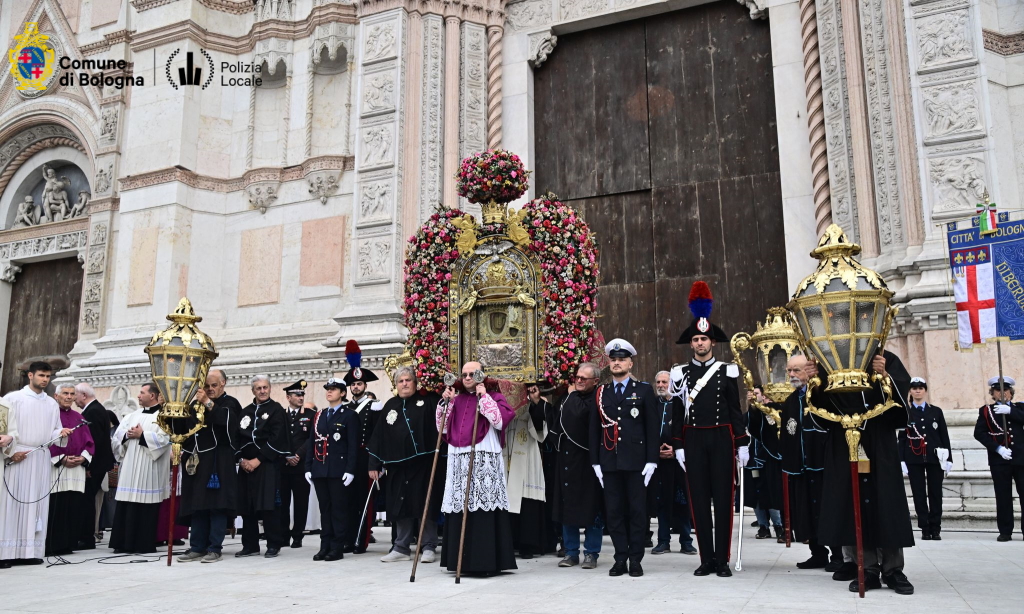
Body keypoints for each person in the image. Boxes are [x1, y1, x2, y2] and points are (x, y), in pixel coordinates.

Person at [814, 351, 915, 595]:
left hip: (879, 438)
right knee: (854, 502)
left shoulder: (884, 356)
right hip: (844, 439)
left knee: (886, 502)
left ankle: (893, 568)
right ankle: (867, 567)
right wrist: (814, 383)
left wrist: (886, 375)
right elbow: (820, 413)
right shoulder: (829, 360)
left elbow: (901, 404)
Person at [670, 282, 748, 578]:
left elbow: (734, 409)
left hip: (722, 438)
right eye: (696, 339)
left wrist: (742, 443)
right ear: (690, 343)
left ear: (712, 342)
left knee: (723, 500)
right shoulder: (680, 373)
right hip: (693, 438)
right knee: (698, 500)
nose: (700, 343)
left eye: (704, 338)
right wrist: (678, 444)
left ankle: (723, 559)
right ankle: (706, 558)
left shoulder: (727, 371)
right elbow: (678, 412)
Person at [438, 361, 517, 575]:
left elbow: (500, 421)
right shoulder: (457, 399)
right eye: (464, 374)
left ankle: (485, 561)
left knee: (483, 505)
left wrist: (484, 398)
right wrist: (444, 404)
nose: (467, 378)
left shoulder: (494, 396)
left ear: (482, 375)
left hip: (483, 456)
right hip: (459, 458)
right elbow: (442, 428)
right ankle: (458, 562)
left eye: (472, 374)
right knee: (460, 505)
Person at [763, 355, 841, 571]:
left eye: (796, 370)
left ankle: (837, 554)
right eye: (789, 371)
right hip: (801, 467)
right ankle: (817, 553)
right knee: (806, 511)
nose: (791, 375)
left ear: (809, 370)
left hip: (823, 464)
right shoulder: (790, 401)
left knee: (828, 510)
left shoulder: (821, 394)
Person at [590, 339, 659, 578]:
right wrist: (595, 462)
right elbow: (594, 429)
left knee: (638, 511)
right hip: (609, 461)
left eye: (621, 359)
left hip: (637, 463)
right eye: (613, 359)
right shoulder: (601, 392)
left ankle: (636, 559)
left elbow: (652, 428)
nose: (617, 363)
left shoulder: (643, 390)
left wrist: (652, 460)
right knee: (614, 512)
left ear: (630, 363)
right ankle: (620, 558)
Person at [367, 366, 443, 563]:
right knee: (400, 506)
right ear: (396, 385)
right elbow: (378, 437)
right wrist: (373, 463)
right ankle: (401, 547)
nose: (405, 384)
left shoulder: (428, 401)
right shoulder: (390, 405)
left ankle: (428, 546)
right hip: (397, 467)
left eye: (408, 380)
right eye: (401, 381)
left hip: (423, 464)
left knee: (425, 503)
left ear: (415, 383)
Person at [0, 362, 73, 567]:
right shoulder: (12, 399)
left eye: (48, 376)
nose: (45, 380)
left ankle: (29, 551)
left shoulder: (51, 404)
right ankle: (6, 553)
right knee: (11, 504)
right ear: (30, 375)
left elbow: (53, 430)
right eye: (41, 375)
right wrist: (10, 453)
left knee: (37, 504)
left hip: (40, 457)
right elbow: (4, 431)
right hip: (18, 455)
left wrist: (60, 434)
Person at [176, 369, 242, 564]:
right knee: (198, 505)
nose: (209, 389)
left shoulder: (230, 403)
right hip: (197, 461)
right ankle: (197, 546)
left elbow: (225, 421)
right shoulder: (195, 405)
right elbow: (185, 429)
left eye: (213, 385)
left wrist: (207, 402)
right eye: (206, 386)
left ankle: (214, 548)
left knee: (216, 505)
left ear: (223, 384)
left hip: (218, 462)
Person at [553, 362, 605, 569]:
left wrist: (572, 394)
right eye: (577, 377)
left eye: (584, 378)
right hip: (567, 460)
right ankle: (571, 551)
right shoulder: (567, 397)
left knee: (593, 508)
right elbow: (557, 420)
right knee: (568, 508)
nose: (579, 381)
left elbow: (577, 416)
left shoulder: (597, 399)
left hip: (588, 461)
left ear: (595, 381)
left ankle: (592, 552)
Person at [109, 382, 171, 554]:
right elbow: (116, 438)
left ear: (152, 396)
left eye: (142, 392)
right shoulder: (131, 416)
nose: (138, 396)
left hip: (150, 469)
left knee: (146, 507)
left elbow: (166, 440)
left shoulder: (164, 417)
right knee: (126, 505)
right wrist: (126, 436)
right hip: (130, 466)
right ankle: (122, 543)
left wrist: (142, 435)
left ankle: (142, 544)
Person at [235, 375, 290, 558]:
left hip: (266, 464)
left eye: (265, 387)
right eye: (258, 388)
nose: (262, 391)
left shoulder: (276, 410)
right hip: (246, 466)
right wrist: (242, 460)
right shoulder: (245, 411)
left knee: (269, 506)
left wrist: (258, 460)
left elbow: (278, 438)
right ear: (253, 390)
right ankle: (250, 545)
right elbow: (237, 438)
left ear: (270, 388)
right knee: (247, 505)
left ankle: (274, 543)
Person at [306, 378, 358, 561]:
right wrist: (308, 467)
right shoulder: (319, 415)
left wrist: (350, 470)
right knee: (325, 509)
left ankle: (337, 547)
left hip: (338, 470)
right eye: (328, 389)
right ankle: (324, 546)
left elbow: (353, 446)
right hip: (320, 469)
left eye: (334, 389)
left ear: (343, 393)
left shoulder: (349, 415)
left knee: (338, 510)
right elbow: (312, 442)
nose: (329, 392)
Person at [45, 383, 96, 556]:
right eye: (65, 393)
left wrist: (83, 457)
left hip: (76, 470)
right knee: (56, 507)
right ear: (56, 396)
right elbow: (44, 441)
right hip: (56, 467)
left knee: (74, 507)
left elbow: (89, 442)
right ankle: (52, 545)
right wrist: (61, 459)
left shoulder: (79, 417)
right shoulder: (49, 416)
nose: (68, 397)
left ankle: (68, 543)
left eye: (72, 394)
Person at [899, 377, 952, 541]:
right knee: (919, 494)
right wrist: (901, 459)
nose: (917, 390)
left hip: (934, 457)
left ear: (925, 390)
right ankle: (925, 527)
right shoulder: (905, 412)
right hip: (913, 457)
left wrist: (949, 458)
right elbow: (902, 438)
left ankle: (936, 527)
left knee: (936, 493)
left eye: (921, 388)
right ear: (910, 391)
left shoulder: (936, 411)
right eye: (914, 388)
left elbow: (944, 435)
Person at [505, 381, 553, 559]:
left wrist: (535, 402)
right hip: (505, 449)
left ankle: (528, 543)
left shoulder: (534, 400)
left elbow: (542, 428)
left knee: (526, 494)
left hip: (527, 451)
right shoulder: (498, 399)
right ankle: (508, 541)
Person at [974, 376, 1024, 542]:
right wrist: (998, 448)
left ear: (1011, 392)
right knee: (1002, 496)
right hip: (999, 459)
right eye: (998, 390)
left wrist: (1011, 411)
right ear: (993, 393)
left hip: (1020, 459)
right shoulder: (986, 411)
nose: (1002, 393)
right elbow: (979, 433)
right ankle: (1005, 530)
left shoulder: (1020, 408)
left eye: (1006, 390)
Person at [342, 340, 381, 554]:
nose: (356, 387)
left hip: (365, 458)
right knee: (348, 501)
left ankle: (362, 540)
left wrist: (377, 462)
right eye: (353, 385)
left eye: (359, 384)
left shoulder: (375, 407)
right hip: (348, 459)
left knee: (364, 502)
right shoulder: (345, 408)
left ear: (365, 385)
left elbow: (377, 437)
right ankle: (348, 538)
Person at [650, 371, 694, 555]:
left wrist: (675, 450)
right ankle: (663, 541)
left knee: (682, 501)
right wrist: (655, 451)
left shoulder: (681, 405)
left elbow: (688, 431)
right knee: (662, 502)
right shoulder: (652, 405)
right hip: (657, 461)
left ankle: (686, 541)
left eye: (664, 382)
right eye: (658, 382)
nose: (660, 385)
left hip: (678, 461)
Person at [74, 383, 113, 549]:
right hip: (97, 464)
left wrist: (89, 465)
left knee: (86, 501)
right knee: (86, 500)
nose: (73, 399)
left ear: (83, 395)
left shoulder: (93, 411)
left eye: (75, 395)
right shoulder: (95, 409)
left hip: (94, 464)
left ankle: (86, 538)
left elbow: (94, 440)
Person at [745, 386, 784, 543]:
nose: (754, 397)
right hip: (753, 459)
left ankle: (779, 526)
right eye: (752, 395)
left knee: (772, 493)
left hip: (770, 458)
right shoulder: (751, 414)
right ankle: (763, 526)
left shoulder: (772, 411)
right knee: (756, 495)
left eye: (756, 394)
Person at [281, 379, 315, 548]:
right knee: (283, 503)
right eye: (297, 395)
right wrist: (287, 455)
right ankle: (284, 535)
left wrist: (298, 455)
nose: (301, 397)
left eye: (302, 394)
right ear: (288, 397)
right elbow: (278, 438)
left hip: (301, 465)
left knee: (301, 503)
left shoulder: (310, 415)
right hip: (284, 466)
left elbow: (311, 438)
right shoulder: (281, 415)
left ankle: (298, 535)